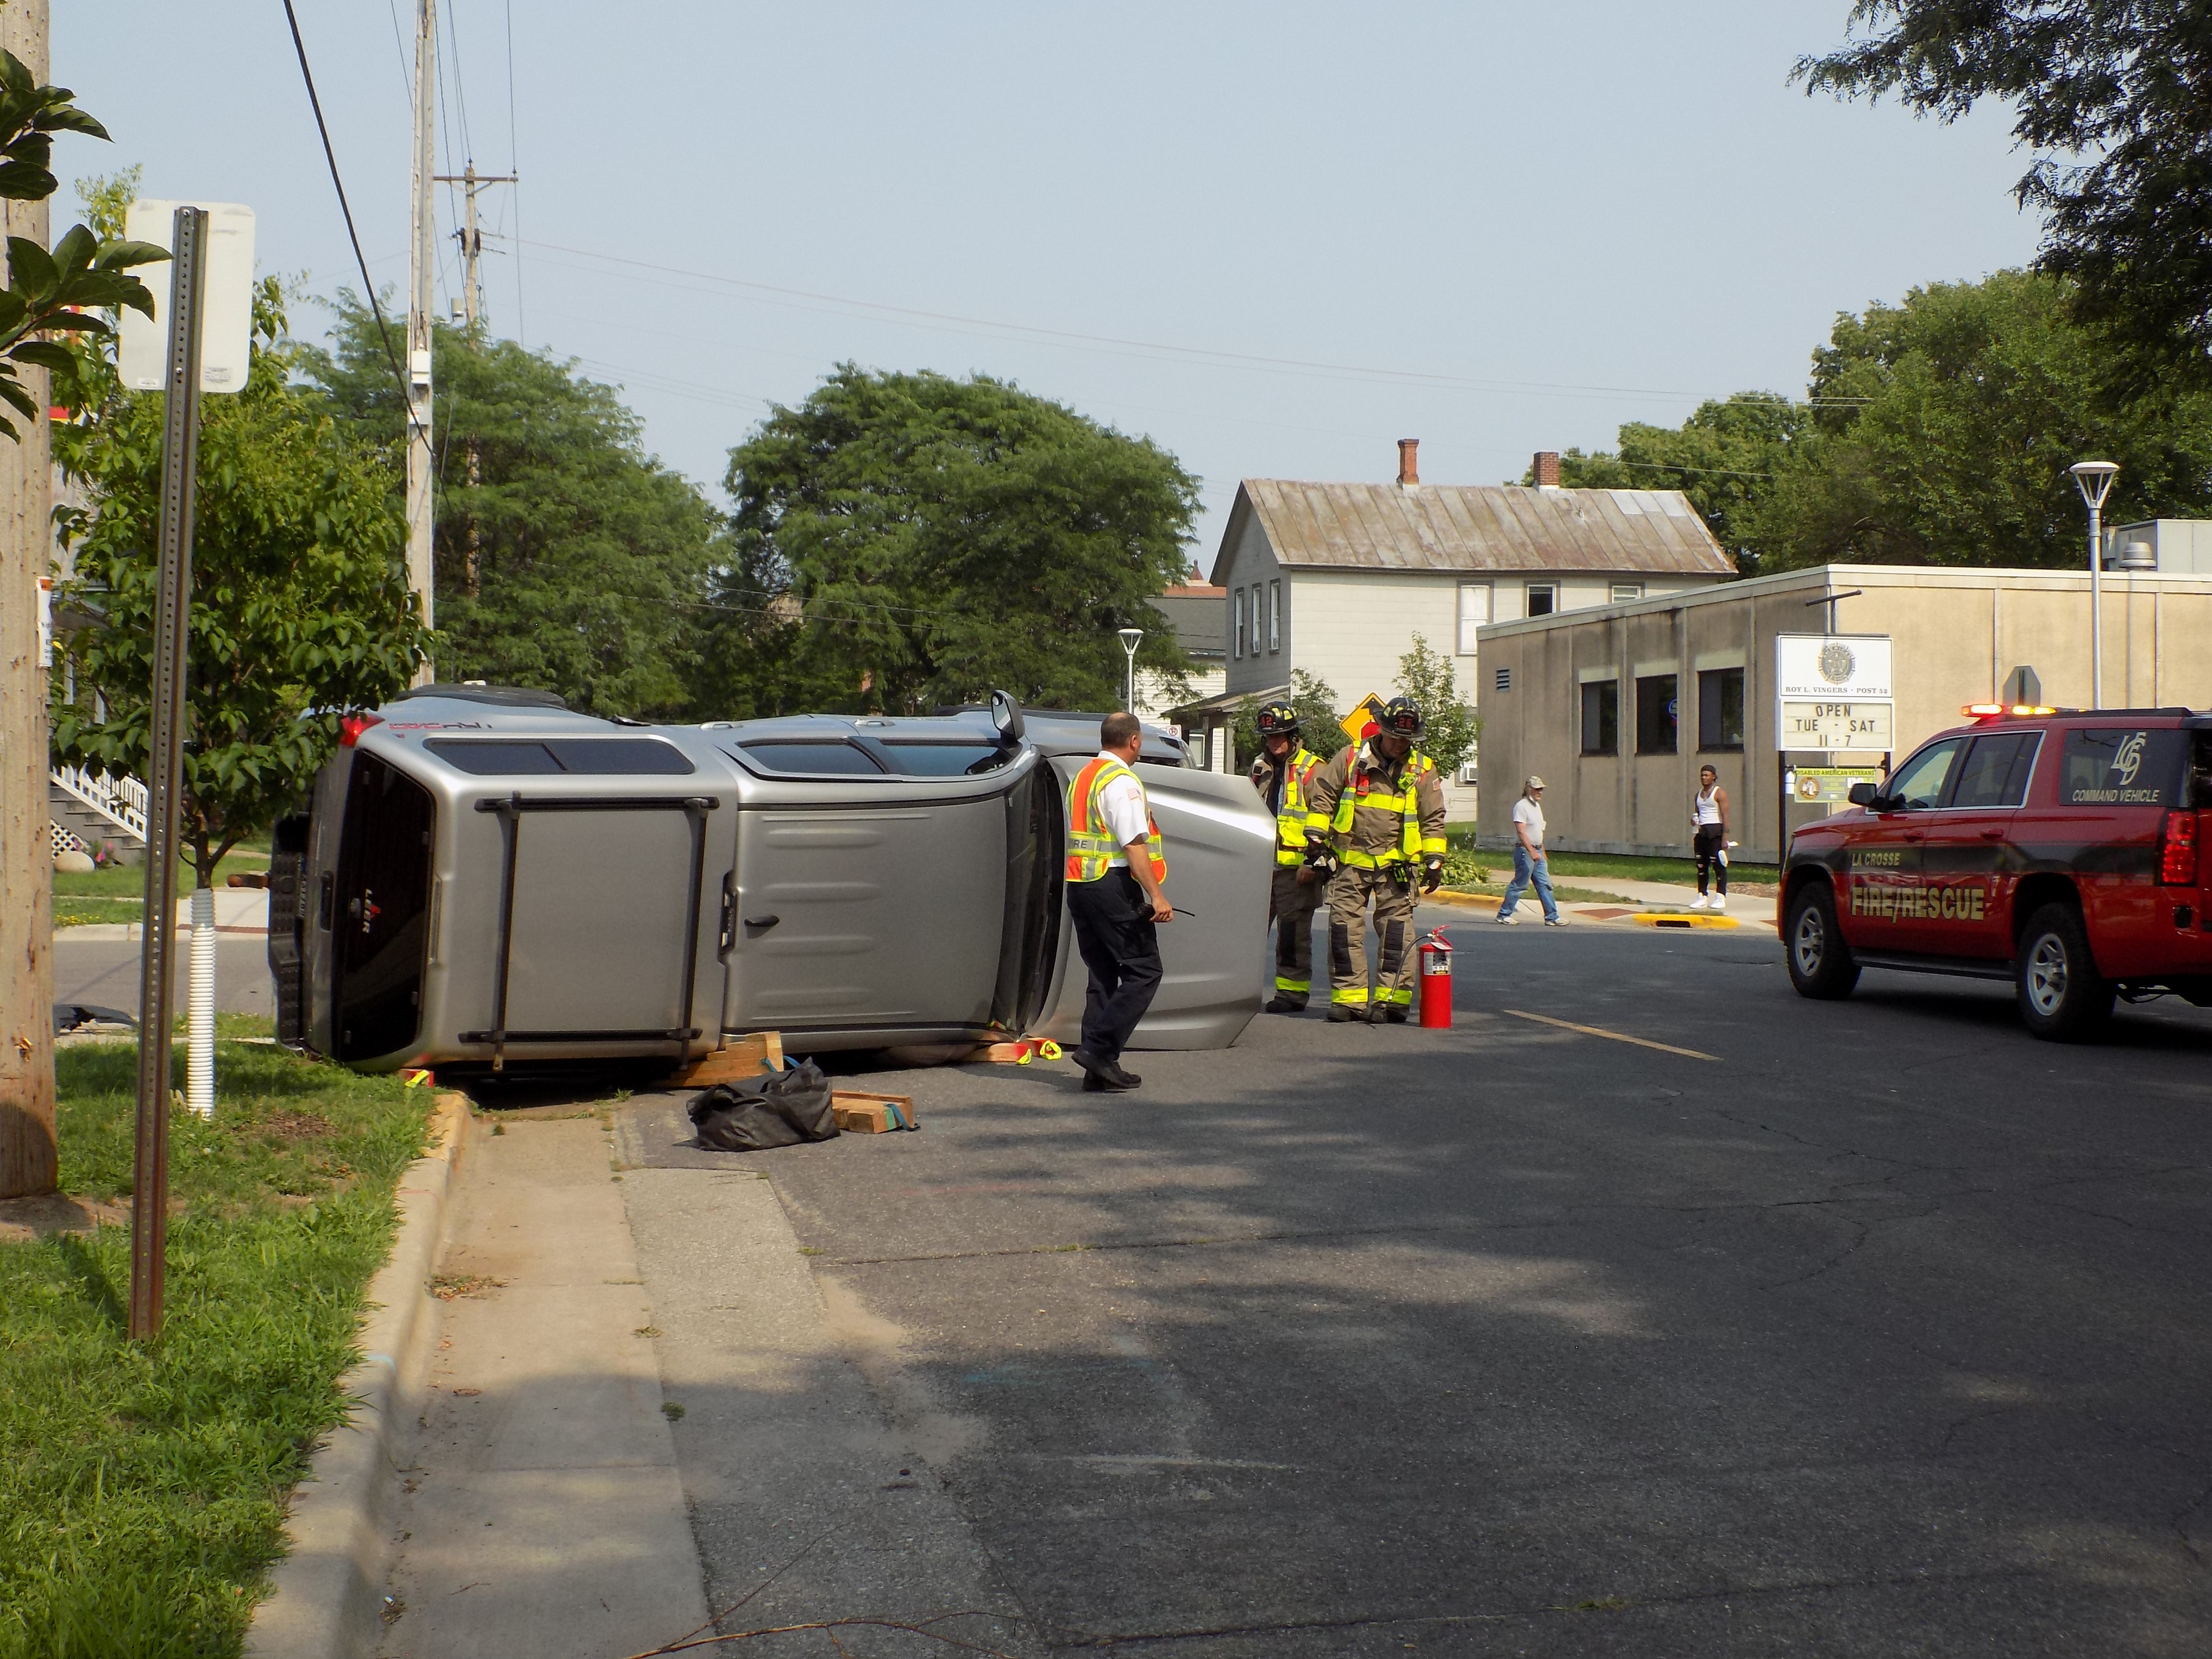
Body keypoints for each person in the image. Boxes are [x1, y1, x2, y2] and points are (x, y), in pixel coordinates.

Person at [1301, 696, 1447, 1024]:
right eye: (1396, 737)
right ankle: (1349, 1000)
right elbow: (1323, 797)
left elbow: (1433, 817)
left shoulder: (1422, 769)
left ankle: (1391, 1001)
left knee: (1397, 933)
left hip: (1396, 868)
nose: (1402, 744)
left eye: (1408, 739)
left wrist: (1434, 859)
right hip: (1350, 864)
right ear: (1382, 731)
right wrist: (1315, 840)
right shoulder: (1351, 758)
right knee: (1344, 930)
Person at [1062, 711, 1171, 1092]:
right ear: (1134, 741)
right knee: (1145, 969)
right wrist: (1156, 895)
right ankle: (1099, 1051)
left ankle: (1098, 1070)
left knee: (1104, 973)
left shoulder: (1084, 777)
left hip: (1080, 883)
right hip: (1111, 883)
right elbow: (1133, 844)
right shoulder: (1121, 781)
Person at [1248, 701, 1326, 1014]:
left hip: (1296, 869)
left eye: (1279, 736)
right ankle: (1240, 992)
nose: (1273, 743)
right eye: (1268, 737)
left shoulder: (1313, 769)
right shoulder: (1259, 767)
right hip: (1260, 865)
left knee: (1293, 935)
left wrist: (1312, 862)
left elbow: (1324, 818)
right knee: (1249, 933)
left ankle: (1291, 994)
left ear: (1293, 736)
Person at [1496, 776, 1562, 926]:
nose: (1540, 792)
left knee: (1545, 885)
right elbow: (1521, 832)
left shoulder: (1537, 807)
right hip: (1525, 852)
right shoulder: (1521, 806)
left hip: (1537, 851)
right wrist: (1531, 850)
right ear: (1528, 789)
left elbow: (1539, 831)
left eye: (1541, 789)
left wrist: (1542, 850)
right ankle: (1504, 914)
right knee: (1521, 884)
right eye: (1537, 789)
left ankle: (1552, 917)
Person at [1690, 764, 1729, 911]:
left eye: (1707, 775)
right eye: (1702, 775)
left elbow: (1726, 816)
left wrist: (1725, 836)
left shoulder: (1719, 793)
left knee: (1718, 865)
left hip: (1716, 830)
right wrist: (1694, 821)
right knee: (1701, 865)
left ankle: (1721, 896)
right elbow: (1697, 815)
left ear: (1714, 776)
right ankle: (1702, 895)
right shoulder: (1698, 795)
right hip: (1702, 832)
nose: (1704, 778)